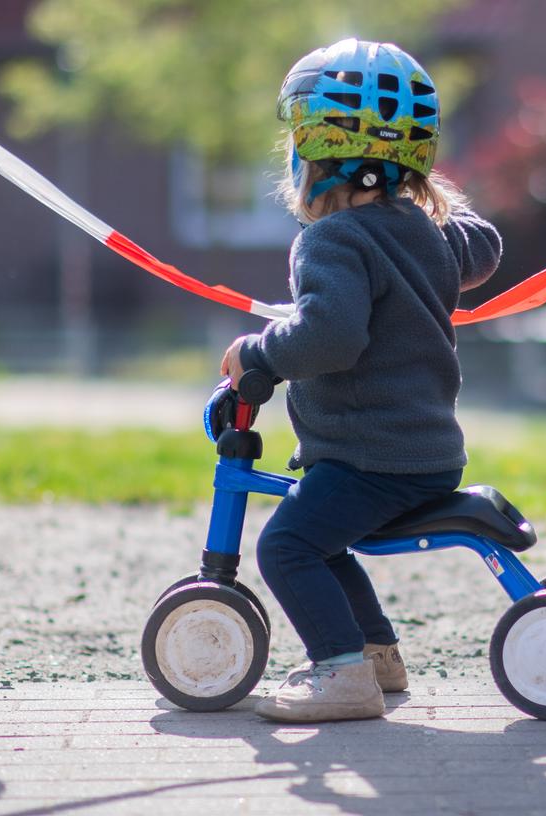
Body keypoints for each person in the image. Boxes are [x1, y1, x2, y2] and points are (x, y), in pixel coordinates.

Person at [218, 38, 501, 723]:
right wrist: (417, 196)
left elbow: (331, 337)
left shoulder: (333, 240)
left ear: (311, 157)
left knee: (285, 546)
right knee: (322, 540)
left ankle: (343, 675)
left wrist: (257, 356)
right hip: (423, 455)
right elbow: (485, 243)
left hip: (370, 458)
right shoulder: (428, 233)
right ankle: (376, 653)